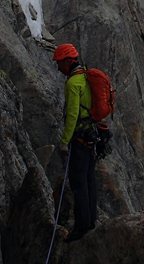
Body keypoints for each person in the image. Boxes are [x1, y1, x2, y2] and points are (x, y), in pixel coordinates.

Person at [53, 43, 97, 243]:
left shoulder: (73, 84)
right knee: (89, 179)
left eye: (60, 63)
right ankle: (91, 221)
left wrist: (64, 141)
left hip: (79, 138)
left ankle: (81, 227)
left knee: (78, 182)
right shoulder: (86, 77)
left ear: (68, 61)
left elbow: (72, 115)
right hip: (92, 136)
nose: (58, 67)